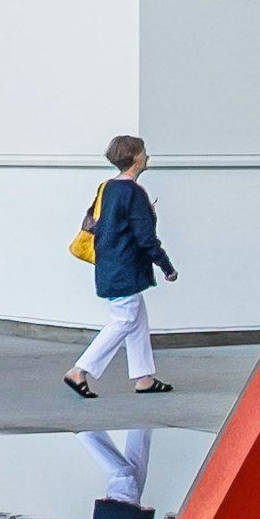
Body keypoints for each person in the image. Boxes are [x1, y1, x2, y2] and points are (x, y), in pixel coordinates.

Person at [69, 134, 178, 398]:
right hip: (124, 267)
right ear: (135, 158)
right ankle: (79, 371)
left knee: (136, 318)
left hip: (109, 264)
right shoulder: (132, 192)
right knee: (124, 319)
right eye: (144, 151)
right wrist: (166, 266)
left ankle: (144, 378)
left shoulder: (107, 187)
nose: (147, 156)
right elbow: (145, 237)